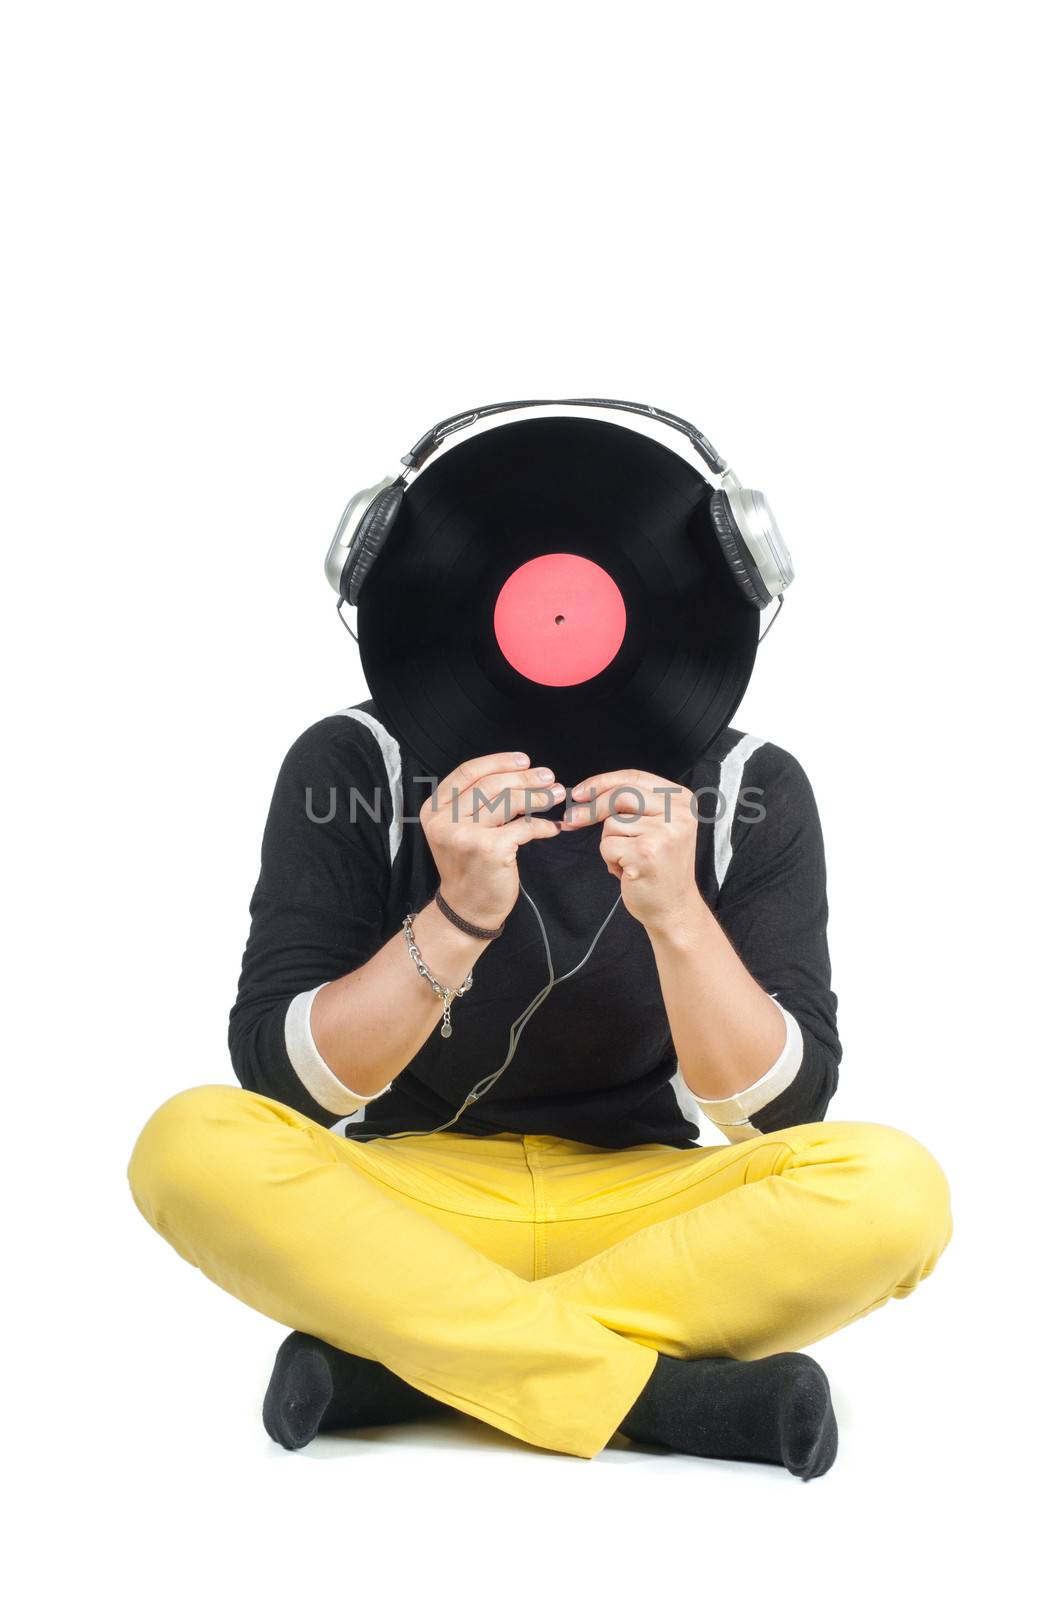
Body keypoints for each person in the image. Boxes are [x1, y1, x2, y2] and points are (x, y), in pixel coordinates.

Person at [127, 700, 953, 1479]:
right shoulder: (353, 762)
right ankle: (661, 1399)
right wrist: (458, 917)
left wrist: (677, 912)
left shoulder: (752, 782)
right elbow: (288, 1084)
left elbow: (778, 1114)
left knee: (894, 1190)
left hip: (644, 1216)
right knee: (190, 1142)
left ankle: (409, 1368)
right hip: (407, 1209)